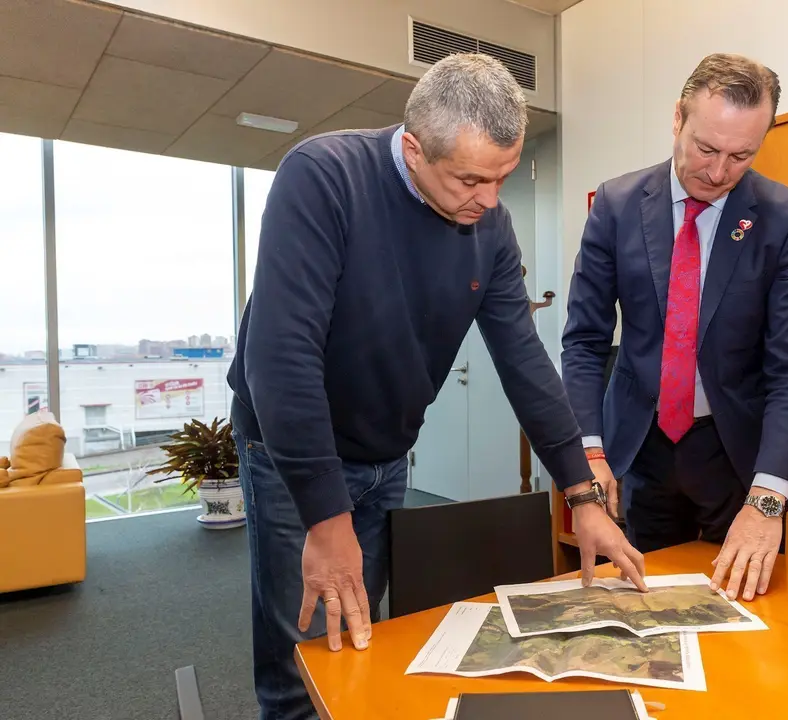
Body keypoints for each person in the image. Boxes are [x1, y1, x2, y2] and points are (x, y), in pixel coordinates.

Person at [228, 53, 646, 720]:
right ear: (414, 150)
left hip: (386, 449)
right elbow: (281, 361)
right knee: (303, 659)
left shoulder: (489, 226)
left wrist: (582, 493)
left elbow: (525, 361)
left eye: (502, 177)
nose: (490, 199)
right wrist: (326, 517)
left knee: (361, 634)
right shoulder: (324, 177)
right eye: (471, 179)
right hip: (293, 452)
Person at [561, 53, 788, 604]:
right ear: (678, 118)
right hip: (642, 449)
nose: (719, 172)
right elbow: (585, 341)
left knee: (750, 613)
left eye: (741, 156)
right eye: (706, 148)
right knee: (650, 607)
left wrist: (769, 501)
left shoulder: (787, 220)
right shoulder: (616, 205)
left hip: (738, 457)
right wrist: (590, 452)